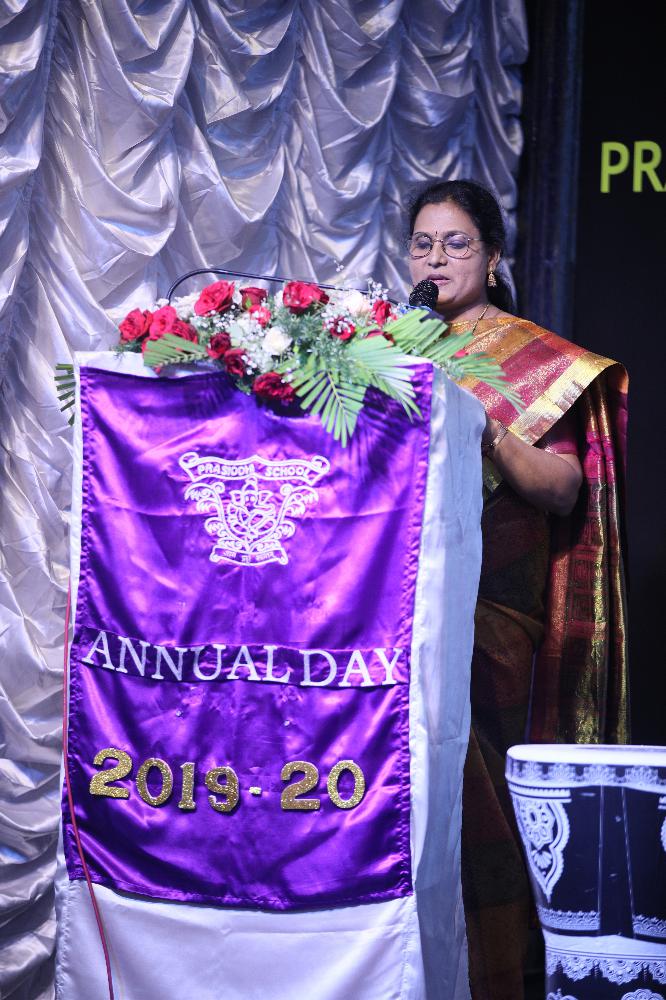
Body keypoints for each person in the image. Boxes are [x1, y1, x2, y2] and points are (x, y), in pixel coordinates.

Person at [406, 179, 629, 1000]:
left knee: (476, 807)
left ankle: (495, 978)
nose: (436, 259)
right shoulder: (386, 350)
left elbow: (563, 490)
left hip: (487, 618)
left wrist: (487, 427)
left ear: (493, 258)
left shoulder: (534, 361)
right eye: (422, 244)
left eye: (456, 243)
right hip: (395, 614)